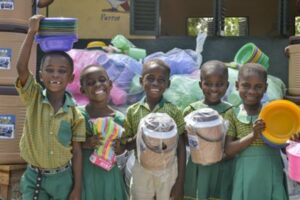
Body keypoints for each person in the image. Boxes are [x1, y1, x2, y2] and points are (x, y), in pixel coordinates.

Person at [15, 15, 85, 200]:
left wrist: (77, 188)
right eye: (49, 70)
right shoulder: (34, 97)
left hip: (63, 179)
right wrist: (32, 31)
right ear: (40, 74)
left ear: (71, 78)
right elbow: (21, 68)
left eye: (62, 71)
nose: (55, 75)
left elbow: (77, 152)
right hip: (34, 177)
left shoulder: (75, 113)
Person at [115, 59, 186, 200]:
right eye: (150, 78)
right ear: (141, 81)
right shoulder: (133, 111)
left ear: (168, 84)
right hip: (142, 168)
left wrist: (180, 182)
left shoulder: (173, 111)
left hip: (168, 169)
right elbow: (126, 145)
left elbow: (181, 147)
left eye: (161, 80)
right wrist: (140, 137)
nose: (155, 84)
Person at [224, 63, 288, 200]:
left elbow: (284, 145)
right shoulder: (232, 114)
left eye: (258, 87)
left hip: (271, 170)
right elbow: (228, 150)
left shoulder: (273, 113)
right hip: (244, 173)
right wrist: (253, 135)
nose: (252, 91)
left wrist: (292, 140)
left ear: (265, 88)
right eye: (246, 85)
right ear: (237, 85)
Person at [183, 60, 233, 200]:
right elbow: (182, 137)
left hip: (221, 167)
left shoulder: (230, 112)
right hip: (198, 166)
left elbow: (232, 141)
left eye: (220, 84)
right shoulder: (191, 110)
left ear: (227, 85)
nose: (214, 89)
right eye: (208, 84)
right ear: (200, 85)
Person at [78, 64, 127, 200]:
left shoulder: (119, 119)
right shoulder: (78, 116)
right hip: (85, 175)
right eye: (91, 83)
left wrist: (120, 149)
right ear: (82, 90)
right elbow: (67, 145)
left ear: (110, 84)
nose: (98, 85)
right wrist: (86, 143)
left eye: (102, 80)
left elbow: (124, 149)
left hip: (109, 177)